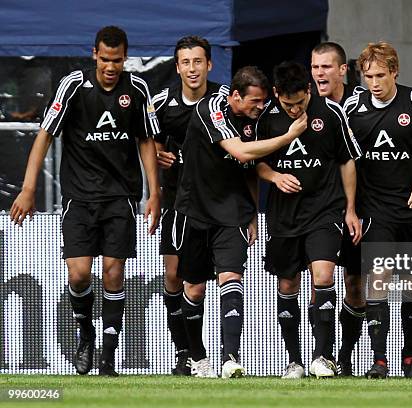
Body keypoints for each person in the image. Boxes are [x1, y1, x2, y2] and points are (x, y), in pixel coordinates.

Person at [10, 26, 161, 376]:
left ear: (126, 58)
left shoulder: (136, 89)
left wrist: (155, 193)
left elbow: (146, 141)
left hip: (119, 197)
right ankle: (86, 332)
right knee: (79, 275)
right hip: (78, 197)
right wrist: (28, 188)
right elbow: (45, 134)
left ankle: (108, 356)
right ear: (95, 54)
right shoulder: (74, 85)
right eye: (105, 59)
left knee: (113, 272)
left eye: (118, 60)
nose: (111, 67)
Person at [174, 65, 307, 378]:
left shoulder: (253, 121)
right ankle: (198, 357)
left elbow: (249, 169)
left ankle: (229, 358)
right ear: (236, 96)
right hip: (195, 209)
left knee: (231, 278)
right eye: (255, 101)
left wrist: (250, 213)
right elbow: (242, 154)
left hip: (232, 211)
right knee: (193, 289)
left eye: (263, 102)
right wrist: (289, 136)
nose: (260, 108)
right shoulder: (212, 109)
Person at [344, 42, 412, 378]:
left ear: (394, 72)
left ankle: (410, 356)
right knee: (377, 278)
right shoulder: (352, 107)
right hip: (376, 210)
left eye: (380, 75)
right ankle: (379, 360)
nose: (374, 82)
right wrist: (349, 206)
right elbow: (344, 158)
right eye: (368, 76)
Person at [256, 61, 361, 378]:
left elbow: (347, 162)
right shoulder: (267, 118)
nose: (293, 109)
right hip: (283, 215)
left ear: (309, 90)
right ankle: (294, 361)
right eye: (287, 104)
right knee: (288, 283)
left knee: (324, 276)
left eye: (299, 102)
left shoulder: (331, 113)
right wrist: (274, 176)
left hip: (324, 209)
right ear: (276, 95)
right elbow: (254, 162)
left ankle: (323, 356)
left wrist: (351, 209)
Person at [152, 35, 227, 376]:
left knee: (206, 281)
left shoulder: (224, 100)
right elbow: (145, 142)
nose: (192, 69)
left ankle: (224, 357)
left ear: (209, 64)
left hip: (216, 204)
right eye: (186, 62)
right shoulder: (162, 103)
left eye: (198, 61)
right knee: (173, 276)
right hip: (175, 203)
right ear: (178, 66)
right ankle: (185, 352)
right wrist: (155, 154)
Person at [310, 41, 367, 376]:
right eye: (316, 67)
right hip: (318, 213)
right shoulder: (305, 106)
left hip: (358, 209)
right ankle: (322, 355)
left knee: (356, 285)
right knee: (321, 280)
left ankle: (344, 356)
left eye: (327, 67)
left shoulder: (360, 105)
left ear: (343, 70)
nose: (320, 74)